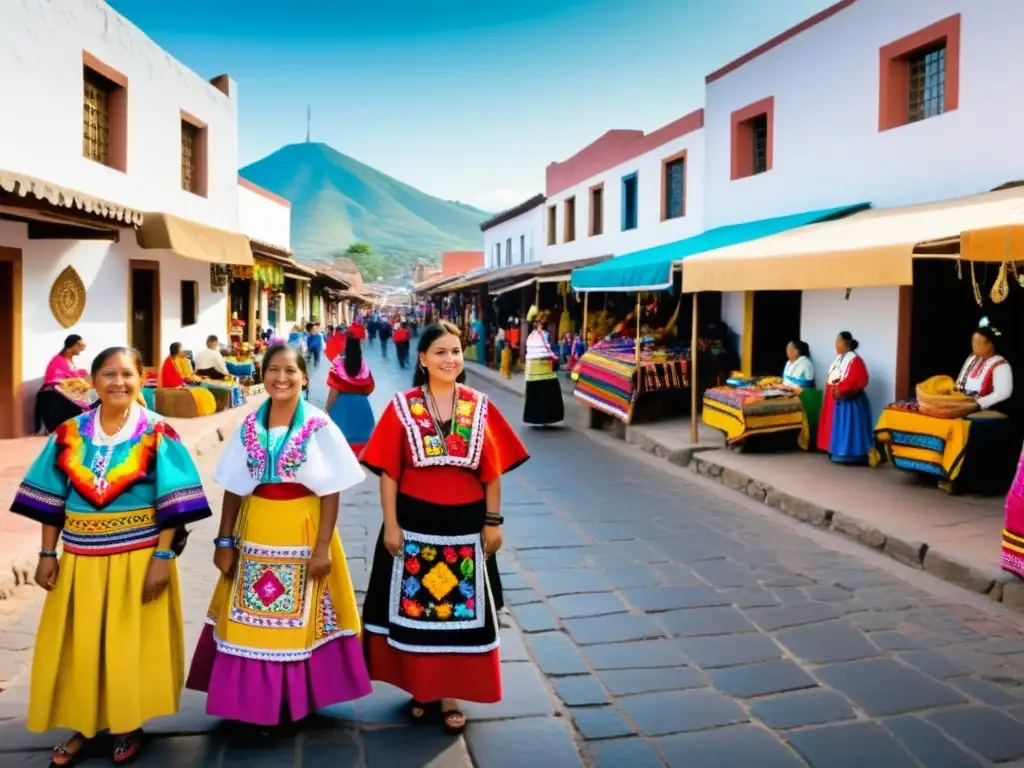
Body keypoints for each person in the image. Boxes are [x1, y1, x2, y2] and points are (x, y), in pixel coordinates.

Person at [11, 347, 213, 765]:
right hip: (81, 559)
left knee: (127, 645)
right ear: (93, 380)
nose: (118, 382)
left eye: (126, 374)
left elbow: (174, 503)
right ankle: (84, 725)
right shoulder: (69, 433)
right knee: (82, 644)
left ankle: (126, 724)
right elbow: (50, 500)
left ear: (141, 379)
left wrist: (163, 558)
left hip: (138, 559)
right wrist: (48, 553)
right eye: (108, 374)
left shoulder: (159, 433)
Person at [186, 344, 371, 729]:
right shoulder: (250, 426)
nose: (281, 378)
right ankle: (249, 699)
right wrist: (224, 542)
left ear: (305, 377)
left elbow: (331, 490)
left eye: (290, 371)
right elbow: (235, 486)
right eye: (273, 369)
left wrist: (322, 546)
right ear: (263, 374)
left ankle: (293, 697)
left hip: (302, 529)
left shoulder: (318, 425)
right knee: (247, 616)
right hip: (255, 527)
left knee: (300, 618)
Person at [359, 322, 529, 734]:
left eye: (455, 351)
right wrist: (391, 526)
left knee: (458, 615)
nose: (450, 359)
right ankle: (421, 688)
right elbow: (389, 473)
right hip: (414, 523)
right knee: (417, 614)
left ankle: (450, 692)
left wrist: (493, 522)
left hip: (466, 527)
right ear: (422, 359)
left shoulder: (479, 406)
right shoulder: (402, 407)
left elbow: (491, 473)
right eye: (440, 352)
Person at [951, 323, 1018, 494]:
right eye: (973, 342)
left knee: (970, 428)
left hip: (989, 409)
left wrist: (978, 404)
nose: (974, 346)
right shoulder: (971, 359)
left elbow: (1003, 393)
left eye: (979, 343)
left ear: (990, 345)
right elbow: (960, 382)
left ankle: (968, 481)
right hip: (966, 404)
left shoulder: (1001, 365)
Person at [817, 331, 874, 464]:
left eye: (838, 342)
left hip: (850, 400)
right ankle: (834, 450)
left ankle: (851, 456)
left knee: (849, 428)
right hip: (836, 399)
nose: (836, 345)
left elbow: (858, 380)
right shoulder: (839, 359)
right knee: (835, 426)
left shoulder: (855, 360)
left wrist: (841, 389)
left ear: (845, 344)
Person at [325, 336, 376, 454]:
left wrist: (327, 408)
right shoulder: (364, 366)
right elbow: (369, 388)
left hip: (342, 406)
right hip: (362, 405)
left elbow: (334, 390)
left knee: (340, 445)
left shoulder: (338, 364)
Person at [36, 335, 91, 433]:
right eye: (79, 345)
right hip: (55, 392)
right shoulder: (57, 360)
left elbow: (73, 377)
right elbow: (55, 380)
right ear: (73, 345)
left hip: (68, 392)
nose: (81, 349)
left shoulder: (70, 361)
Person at [523, 309, 565, 426]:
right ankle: (545, 417)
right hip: (542, 367)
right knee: (547, 391)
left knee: (537, 393)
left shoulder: (531, 336)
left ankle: (539, 417)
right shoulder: (541, 335)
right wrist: (556, 358)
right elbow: (546, 351)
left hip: (532, 369)